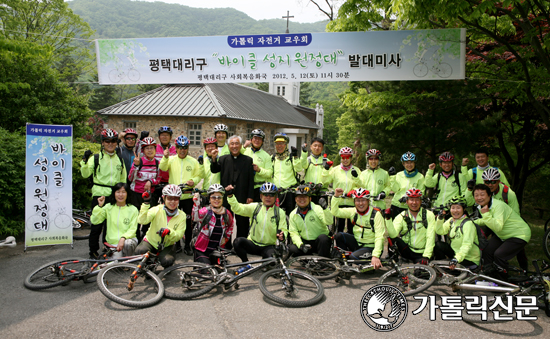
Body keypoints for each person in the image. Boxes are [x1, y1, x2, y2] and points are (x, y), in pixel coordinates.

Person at [81, 128, 127, 259]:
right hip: (99, 195)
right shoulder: (96, 158)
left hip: (114, 196)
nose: (110, 144)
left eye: (113, 141)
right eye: (107, 141)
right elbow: (85, 174)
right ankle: (93, 251)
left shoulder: (119, 159)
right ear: (103, 143)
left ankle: (108, 248)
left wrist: (122, 195)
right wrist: (84, 161)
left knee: (111, 225)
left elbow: (123, 180)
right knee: (97, 225)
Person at [473, 184, 531, 280]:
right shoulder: (483, 206)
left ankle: (503, 281)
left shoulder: (498, 206)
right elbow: (488, 220)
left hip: (519, 234)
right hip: (504, 235)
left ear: (489, 195)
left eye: (482, 194)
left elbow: (498, 226)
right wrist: (473, 221)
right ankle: (490, 278)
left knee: (499, 255)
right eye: (476, 195)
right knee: (487, 250)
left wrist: (486, 214)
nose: (479, 197)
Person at [159, 135, 201, 255]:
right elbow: (162, 167)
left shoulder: (193, 161)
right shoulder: (171, 159)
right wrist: (165, 157)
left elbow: (198, 175)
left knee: (188, 223)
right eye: (179, 147)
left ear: (188, 148)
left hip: (187, 197)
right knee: (173, 222)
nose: (182, 150)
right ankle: (176, 245)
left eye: (185, 147)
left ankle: (187, 245)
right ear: (176, 148)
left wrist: (194, 180)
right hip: (174, 198)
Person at [228, 182, 288, 262]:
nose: (268, 197)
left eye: (271, 195)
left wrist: (283, 236)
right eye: (265, 195)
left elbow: (284, 229)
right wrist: (230, 196)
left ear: (276, 197)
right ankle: (245, 263)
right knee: (238, 242)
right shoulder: (256, 207)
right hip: (253, 244)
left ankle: (266, 262)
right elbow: (238, 209)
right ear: (261, 196)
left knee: (272, 262)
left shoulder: (280, 212)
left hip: (269, 246)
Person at [211, 135, 255, 241]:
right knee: (226, 222)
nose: (234, 146)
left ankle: (240, 244)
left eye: (236, 144)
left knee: (242, 223)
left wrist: (250, 196)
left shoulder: (248, 160)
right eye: (232, 144)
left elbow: (251, 180)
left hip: (242, 195)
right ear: (229, 146)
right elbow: (214, 169)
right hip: (226, 196)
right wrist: (213, 158)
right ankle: (226, 245)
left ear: (240, 146)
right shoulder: (223, 159)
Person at [331, 187, 386, 269]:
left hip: (371, 246)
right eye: (358, 200)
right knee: (339, 236)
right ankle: (346, 266)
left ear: (368, 201)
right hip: (358, 243)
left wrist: (375, 255)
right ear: (354, 202)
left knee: (353, 257)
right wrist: (335, 197)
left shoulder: (376, 214)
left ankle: (369, 263)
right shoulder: (353, 212)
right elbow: (335, 212)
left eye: (363, 200)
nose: (360, 203)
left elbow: (379, 237)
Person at [136, 184, 187, 268]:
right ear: (164, 198)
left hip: (167, 245)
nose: (173, 202)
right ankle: (148, 266)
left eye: (176, 199)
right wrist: (146, 203)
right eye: (170, 198)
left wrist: (170, 232)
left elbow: (179, 235)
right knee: (140, 251)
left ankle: (164, 266)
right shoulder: (156, 209)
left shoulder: (182, 215)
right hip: (151, 241)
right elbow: (142, 221)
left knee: (167, 261)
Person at [386, 188, 436, 264]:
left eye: (417, 200)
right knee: (392, 240)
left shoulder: (429, 215)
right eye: (411, 200)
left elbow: (430, 236)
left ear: (421, 201)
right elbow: (393, 234)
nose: (414, 203)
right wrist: (388, 219)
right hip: (408, 250)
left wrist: (426, 256)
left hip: (422, 253)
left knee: (419, 274)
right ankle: (394, 264)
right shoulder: (402, 216)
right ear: (407, 201)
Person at [90, 183, 138, 258]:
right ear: (114, 194)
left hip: (127, 242)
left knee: (128, 243)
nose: (120, 195)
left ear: (127, 194)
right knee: (113, 266)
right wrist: (99, 206)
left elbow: (133, 229)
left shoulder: (133, 209)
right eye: (118, 192)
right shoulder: (108, 207)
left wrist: (123, 238)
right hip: (112, 244)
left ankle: (127, 261)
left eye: (123, 192)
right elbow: (95, 221)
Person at [191, 184, 235, 265]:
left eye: (219, 197)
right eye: (213, 197)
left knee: (220, 272)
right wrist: (196, 204)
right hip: (202, 249)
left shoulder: (226, 213)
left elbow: (231, 225)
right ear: (209, 198)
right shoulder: (206, 211)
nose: (216, 200)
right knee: (208, 272)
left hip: (216, 250)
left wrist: (225, 238)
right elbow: (195, 217)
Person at [128, 136, 161, 241]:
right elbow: (130, 178)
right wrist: (136, 166)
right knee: (136, 219)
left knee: (149, 218)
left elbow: (159, 179)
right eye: (147, 148)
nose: (150, 150)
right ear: (143, 150)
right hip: (136, 194)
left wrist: (151, 181)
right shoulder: (139, 161)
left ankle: (145, 238)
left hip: (149, 195)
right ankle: (135, 239)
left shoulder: (157, 163)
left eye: (152, 148)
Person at [433, 195, 480, 270]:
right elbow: (440, 231)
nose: (455, 211)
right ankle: (443, 266)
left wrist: (456, 259)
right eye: (453, 208)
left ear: (464, 209)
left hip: (469, 258)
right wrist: (440, 218)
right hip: (456, 253)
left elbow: (467, 244)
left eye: (458, 208)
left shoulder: (468, 224)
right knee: (438, 245)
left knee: (444, 269)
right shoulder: (452, 220)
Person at [322, 147, 362, 233]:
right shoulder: (335, 170)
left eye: (347, 157)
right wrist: (326, 170)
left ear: (351, 158)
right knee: (339, 227)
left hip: (352, 203)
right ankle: (339, 245)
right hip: (339, 202)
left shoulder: (356, 170)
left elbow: (361, 186)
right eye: (343, 157)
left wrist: (354, 188)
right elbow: (325, 182)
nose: (345, 160)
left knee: (352, 228)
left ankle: (351, 245)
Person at [287, 185, 331, 258]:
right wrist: (301, 245)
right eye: (299, 197)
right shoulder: (293, 214)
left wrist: (325, 209)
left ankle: (323, 262)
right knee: (293, 248)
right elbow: (293, 233)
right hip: (306, 243)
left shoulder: (317, 209)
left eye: (304, 196)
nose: (302, 199)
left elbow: (329, 222)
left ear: (310, 198)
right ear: (295, 199)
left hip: (319, 242)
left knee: (323, 238)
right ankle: (307, 261)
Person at [271, 133, 304, 216]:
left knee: (291, 215)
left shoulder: (291, 157)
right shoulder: (273, 158)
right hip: (277, 192)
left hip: (290, 192)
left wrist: (296, 157)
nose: (279, 146)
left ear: (286, 145)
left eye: (282, 143)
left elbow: (299, 169)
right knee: (276, 216)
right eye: (277, 144)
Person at [388, 151, 425, 219]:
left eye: (411, 162)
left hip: (411, 207)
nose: (409, 165)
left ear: (414, 163)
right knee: (395, 228)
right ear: (403, 164)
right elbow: (395, 189)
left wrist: (408, 198)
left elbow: (421, 193)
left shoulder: (420, 177)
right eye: (407, 163)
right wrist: (392, 177)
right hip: (397, 205)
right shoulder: (399, 175)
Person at [243, 129, 273, 202]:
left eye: (260, 139)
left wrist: (259, 170)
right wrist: (244, 146)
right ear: (251, 139)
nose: (257, 140)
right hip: (245, 187)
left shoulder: (266, 156)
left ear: (262, 141)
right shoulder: (244, 151)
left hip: (258, 188)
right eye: (255, 138)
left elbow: (269, 173)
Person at [299, 137, 330, 204]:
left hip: (322, 192)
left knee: (322, 212)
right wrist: (304, 152)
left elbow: (330, 177)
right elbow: (303, 165)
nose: (317, 148)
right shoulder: (308, 160)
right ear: (311, 147)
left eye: (319, 146)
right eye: (315, 145)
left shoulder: (327, 161)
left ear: (322, 148)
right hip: (309, 191)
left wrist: (322, 184)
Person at [152, 126, 177, 204]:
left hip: (169, 182)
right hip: (156, 182)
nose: (164, 137)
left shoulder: (175, 150)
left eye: (167, 135)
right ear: (159, 137)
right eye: (162, 135)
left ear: (171, 137)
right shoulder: (154, 148)